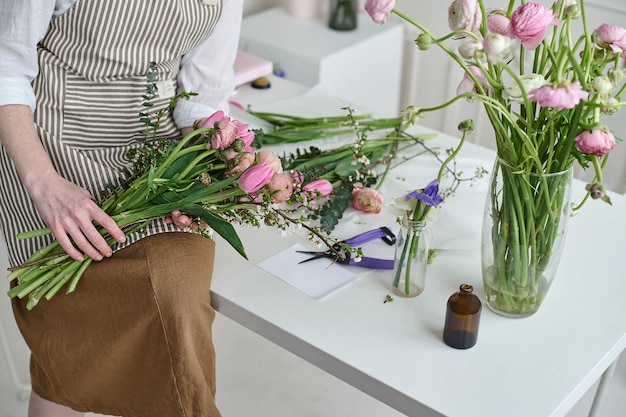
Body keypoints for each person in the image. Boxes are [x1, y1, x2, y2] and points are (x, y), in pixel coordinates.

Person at [0, 0, 243, 416]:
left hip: (158, 159)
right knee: (67, 336)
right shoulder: (47, 175)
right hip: (54, 157)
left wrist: (201, 172)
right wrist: (44, 183)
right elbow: (6, 67)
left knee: (175, 298)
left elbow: (202, 94)